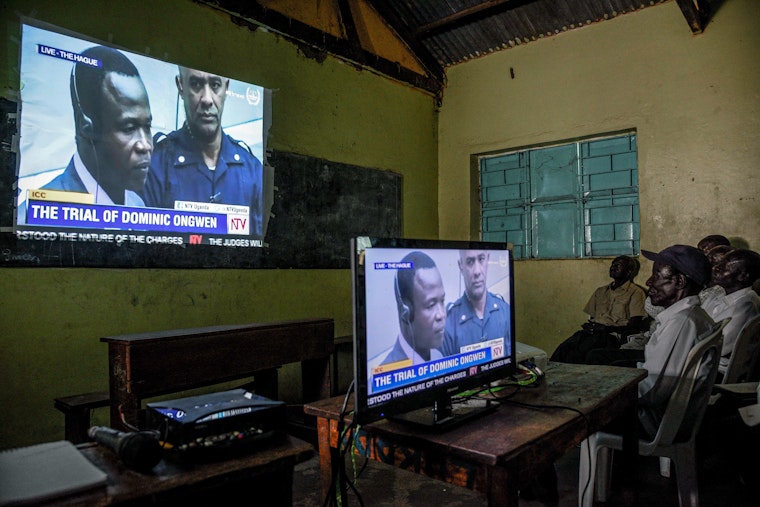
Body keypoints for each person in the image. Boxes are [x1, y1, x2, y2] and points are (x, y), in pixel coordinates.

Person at [142, 66, 264, 237]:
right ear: (180, 86)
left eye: (215, 85)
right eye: (196, 84)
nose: (207, 99)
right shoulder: (154, 167)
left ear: (226, 88)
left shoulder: (253, 172)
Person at [42, 46, 153, 206]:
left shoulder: (137, 205)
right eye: (129, 128)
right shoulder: (36, 213)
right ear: (85, 128)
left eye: (148, 127)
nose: (146, 145)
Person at [637, 244, 715, 438]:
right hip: (664, 414)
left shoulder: (681, 323)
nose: (649, 281)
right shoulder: (691, 315)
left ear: (680, 281)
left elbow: (652, 391)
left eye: (657, 275)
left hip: (654, 422)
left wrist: (606, 397)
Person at [549, 256, 647, 364]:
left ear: (629, 272)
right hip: (592, 334)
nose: (612, 268)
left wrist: (605, 329)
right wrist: (590, 326)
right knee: (563, 349)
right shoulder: (600, 291)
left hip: (611, 335)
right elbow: (592, 318)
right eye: (612, 265)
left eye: (617, 265)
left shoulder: (636, 293)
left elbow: (634, 326)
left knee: (580, 353)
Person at [699, 248, 760, 379]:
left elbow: (719, 345)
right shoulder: (717, 294)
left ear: (743, 276)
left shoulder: (747, 305)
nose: (715, 268)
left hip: (714, 372)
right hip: (700, 362)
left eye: (724, 266)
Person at [380, 251, 446, 366]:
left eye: (442, 301)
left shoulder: (438, 357)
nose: (441, 315)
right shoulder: (383, 378)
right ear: (405, 313)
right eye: (431, 305)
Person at [441, 249, 511, 357]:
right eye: (470, 261)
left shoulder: (505, 312)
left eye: (481, 259)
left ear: (487, 259)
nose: (477, 271)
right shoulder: (448, 324)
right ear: (461, 265)